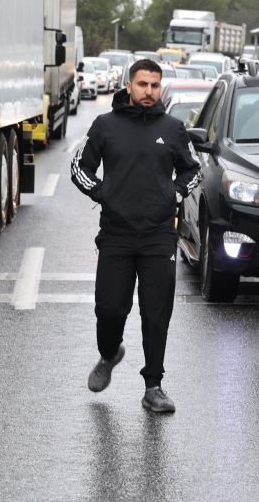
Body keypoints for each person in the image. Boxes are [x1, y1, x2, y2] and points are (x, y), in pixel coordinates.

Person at [70, 58, 201, 413]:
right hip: (116, 234)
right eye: (142, 84)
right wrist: (102, 194)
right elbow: (79, 168)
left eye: (155, 85)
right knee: (110, 309)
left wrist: (173, 195)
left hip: (159, 235)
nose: (149, 91)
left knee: (156, 312)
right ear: (129, 86)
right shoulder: (105, 126)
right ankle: (109, 353)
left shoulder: (173, 129)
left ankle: (153, 386)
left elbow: (193, 173)